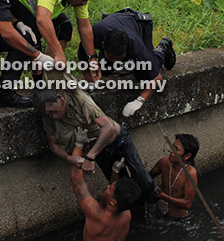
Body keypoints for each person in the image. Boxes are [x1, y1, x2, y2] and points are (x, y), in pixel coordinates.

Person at [33, 70, 159, 203]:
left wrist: (90, 156)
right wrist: (70, 158)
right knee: (120, 190)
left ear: (60, 99)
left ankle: (156, 203)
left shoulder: (80, 101)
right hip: (100, 150)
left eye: (54, 111)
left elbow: (108, 127)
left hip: (117, 140)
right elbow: (53, 144)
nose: (53, 116)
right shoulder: (47, 114)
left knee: (141, 176)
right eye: (48, 114)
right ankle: (135, 215)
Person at [77, 8, 177, 117]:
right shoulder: (93, 34)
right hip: (116, 23)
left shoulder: (136, 46)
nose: (115, 62)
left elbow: (157, 78)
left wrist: (140, 100)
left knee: (142, 75)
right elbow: (82, 57)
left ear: (127, 50)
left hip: (140, 24)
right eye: (111, 57)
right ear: (103, 45)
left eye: (119, 58)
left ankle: (163, 47)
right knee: (104, 70)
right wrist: (89, 81)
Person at [11, 0, 102, 80]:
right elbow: (42, 20)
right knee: (33, 38)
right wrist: (59, 53)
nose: (85, 4)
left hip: (41, 5)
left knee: (64, 27)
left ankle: (49, 72)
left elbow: (84, 26)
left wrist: (93, 58)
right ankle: (39, 82)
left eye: (87, 0)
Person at [70, 126, 142, 241]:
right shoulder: (127, 214)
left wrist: (79, 145)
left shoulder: (96, 215)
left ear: (113, 201)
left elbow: (77, 181)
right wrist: (115, 172)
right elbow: (116, 197)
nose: (107, 187)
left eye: (110, 188)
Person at [149, 133, 199, 219]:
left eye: (176, 149)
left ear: (187, 156)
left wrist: (162, 196)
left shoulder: (190, 173)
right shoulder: (163, 163)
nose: (171, 151)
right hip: (160, 216)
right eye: (172, 147)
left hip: (179, 220)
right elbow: (147, 177)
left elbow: (187, 204)